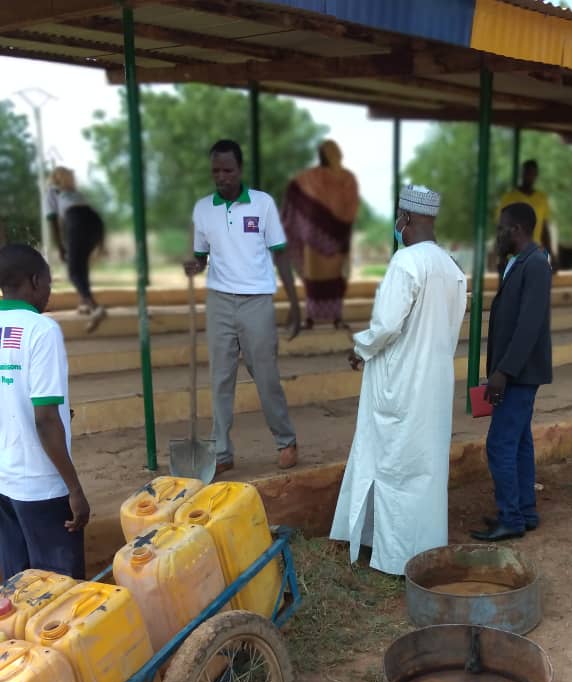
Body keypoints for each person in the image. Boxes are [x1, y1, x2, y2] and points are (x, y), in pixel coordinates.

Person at [330, 185, 467, 575]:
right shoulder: (452, 267)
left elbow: (387, 325)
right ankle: (424, 551)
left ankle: (394, 557)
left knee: (394, 467)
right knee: (425, 470)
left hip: (401, 384)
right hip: (435, 384)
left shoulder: (406, 263)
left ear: (405, 219)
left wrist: (361, 348)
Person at [184, 139, 301, 478]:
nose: (221, 176)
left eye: (228, 170)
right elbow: (202, 256)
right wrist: (194, 266)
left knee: (265, 376)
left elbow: (280, 254)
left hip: (257, 301)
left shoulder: (263, 204)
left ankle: (286, 441)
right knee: (220, 378)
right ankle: (221, 451)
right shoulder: (203, 209)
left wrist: (293, 303)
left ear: (240, 170)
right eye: (216, 171)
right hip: (219, 300)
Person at [0, 243, 90, 580]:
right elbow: (45, 418)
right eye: (49, 284)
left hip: (4, 482)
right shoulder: (41, 330)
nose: (50, 293)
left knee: (19, 586)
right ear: (35, 281)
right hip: (40, 485)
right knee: (60, 596)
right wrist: (75, 490)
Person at [470, 202, 553, 542]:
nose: (498, 235)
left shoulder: (535, 264)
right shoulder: (518, 262)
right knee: (518, 442)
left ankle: (511, 518)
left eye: (502, 228)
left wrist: (503, 372)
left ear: (516, 230)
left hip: (519, 373)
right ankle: (525, 512)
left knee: (500, 444)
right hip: (516, 372)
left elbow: (528, 326)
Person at [281, 140, 359, 330]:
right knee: (313, 278)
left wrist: (341, 217)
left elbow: (352, 203)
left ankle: (336, 317)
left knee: (337, 278)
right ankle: (311, 317)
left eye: (336, 148)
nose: (335, 152)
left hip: (338, 234)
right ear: (323, 154)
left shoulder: (348, 177)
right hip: (314, 236)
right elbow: (296, 188)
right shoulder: (312, 177)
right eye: (330, 150)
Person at [46, 166, 106, 332]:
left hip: (78, 222)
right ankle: (84, 303)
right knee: (82, 265)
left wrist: (60, 247)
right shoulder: (75, 193)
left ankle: (95, 308)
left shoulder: (52, 190)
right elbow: (90, 217)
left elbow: (52, 220)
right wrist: (101, 242)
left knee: (73, 272)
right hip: (95, 222)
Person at [496, 160, 555, 271]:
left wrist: (551, 255)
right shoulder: (509, 198)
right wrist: (501, 256)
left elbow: (544, 229)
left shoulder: (542, 199)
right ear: (522, 174)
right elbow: (501, 228)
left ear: (536, 175)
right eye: (527, 172)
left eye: (533, 173)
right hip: (513, 254)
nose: (530, 176)